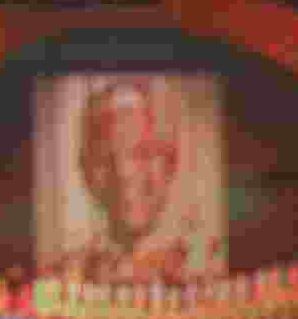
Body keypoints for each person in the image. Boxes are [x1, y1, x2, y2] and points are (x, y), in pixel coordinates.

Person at [57, 80, 220, 284]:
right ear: (85, 171)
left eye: (142, 153)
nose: (124, 173)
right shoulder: (65, 280)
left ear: (171, 163)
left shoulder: (210, 270)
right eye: (105, 158)